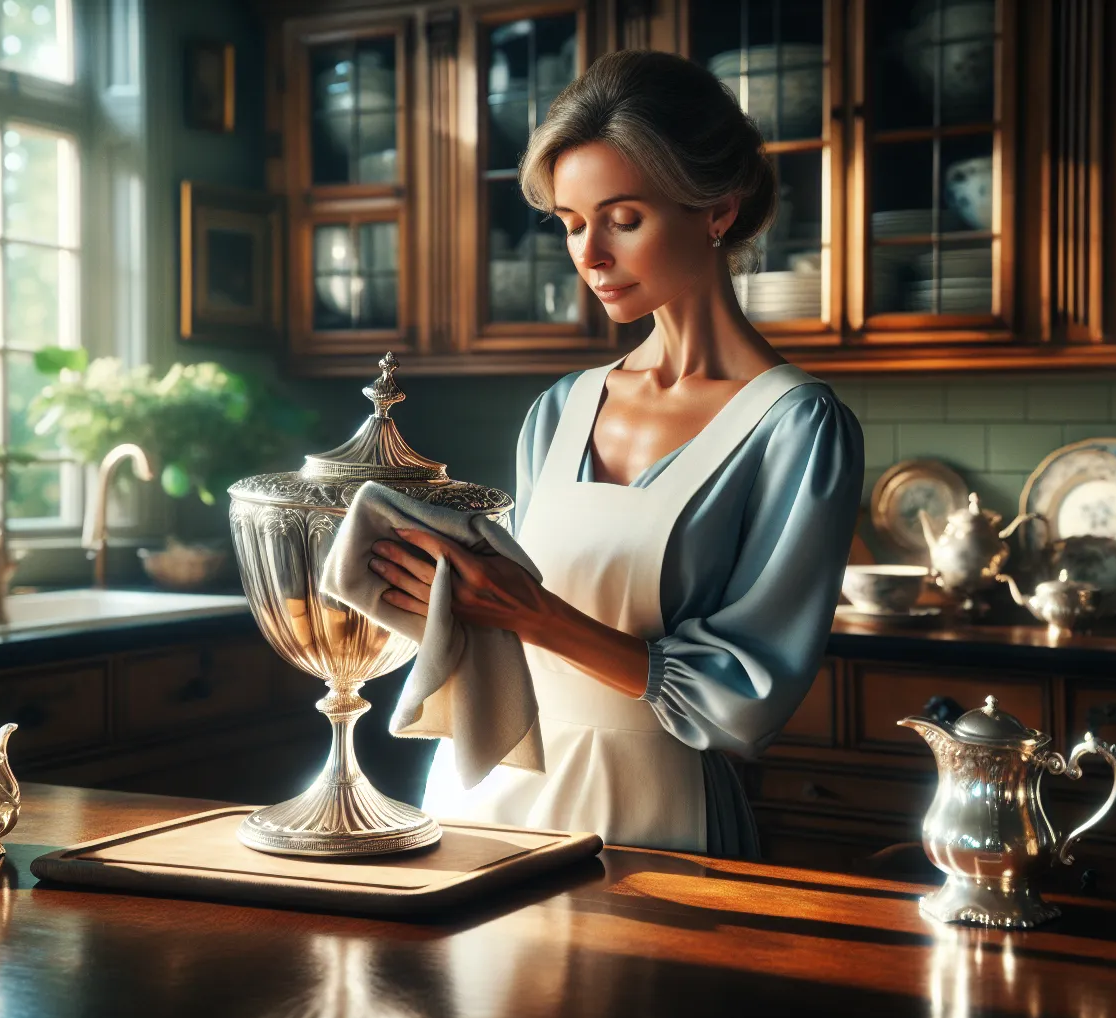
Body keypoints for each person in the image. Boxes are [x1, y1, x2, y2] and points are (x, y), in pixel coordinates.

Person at [366, 49, 864, 857]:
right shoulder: (560, 409)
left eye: (622, 219)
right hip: (485, 788)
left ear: (716, 212)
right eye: (570, 225)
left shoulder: (798, 428)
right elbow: (505, 619)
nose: (589, 255)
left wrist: (533, 613)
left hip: (648, 810)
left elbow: (742, 705)